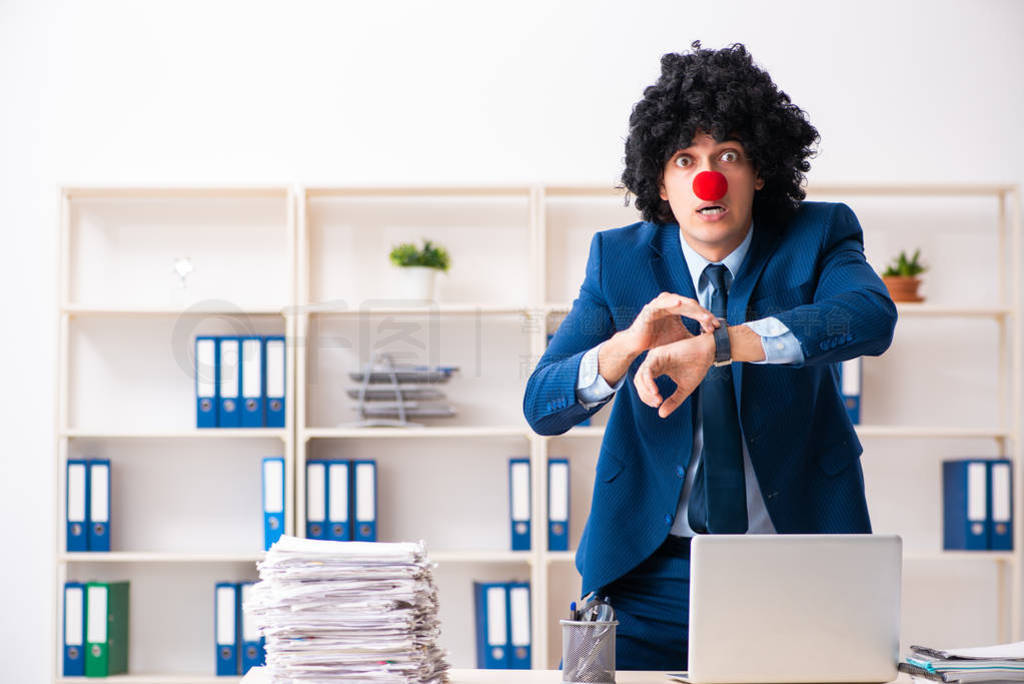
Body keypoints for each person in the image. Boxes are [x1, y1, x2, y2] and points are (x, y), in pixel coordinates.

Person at [522, 41, 898, 670]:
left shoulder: (819, 234)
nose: (709, 178)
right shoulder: (620, 260)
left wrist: (720, 345)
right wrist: (626, 346)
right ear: (661, 185)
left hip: (798, 555)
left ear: (759, 172)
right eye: (685, 158)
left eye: (728, 155)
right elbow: (542, 404)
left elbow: (869, 316)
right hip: (646, 569)